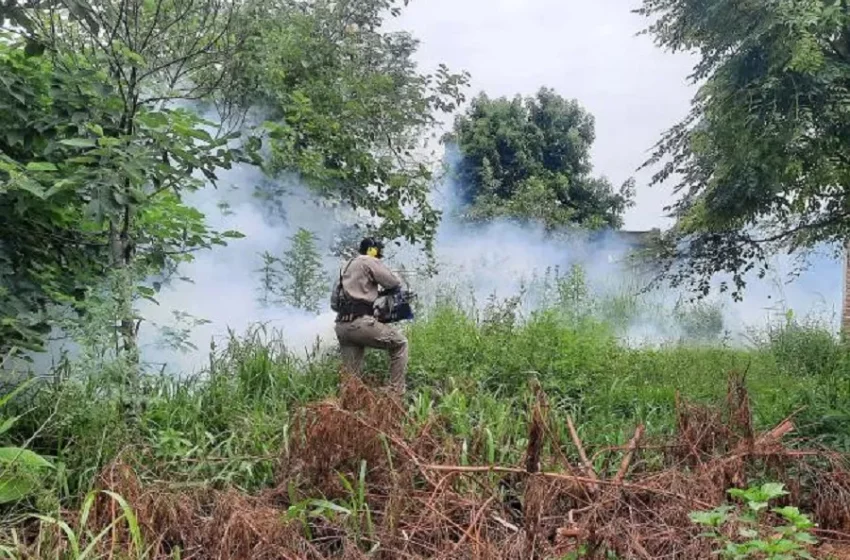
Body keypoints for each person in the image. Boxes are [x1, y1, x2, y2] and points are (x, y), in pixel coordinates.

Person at [331, 237, 409, 393]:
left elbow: (334, 304)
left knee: (350, 382)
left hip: (342, 327)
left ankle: (348, 407)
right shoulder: (368, 260)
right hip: (360, 324)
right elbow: (393, 283)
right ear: (372, 250)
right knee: (400, 344)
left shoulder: (345, 267)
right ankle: (396, 393)